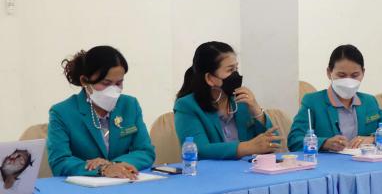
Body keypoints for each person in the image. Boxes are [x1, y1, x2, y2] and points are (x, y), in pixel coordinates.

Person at [47, 46, 155, 178]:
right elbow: (59, 162)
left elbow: (145, 151)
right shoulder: (62, 112)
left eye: (119, 83)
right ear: (84, 81)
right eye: (106, 83)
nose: (113, 91)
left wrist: (114, 165)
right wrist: (102, 169)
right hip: (84, 188)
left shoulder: (130, 105)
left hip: (125, 182)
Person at [174, 41, 280, 159]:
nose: (236, 75)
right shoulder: (187, 106)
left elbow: (274, 143)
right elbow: (199, 149)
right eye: (230, 70)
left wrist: (257, 111)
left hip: (247, 169)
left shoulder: (241, 101)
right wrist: (248, 147)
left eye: (236, 69)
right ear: (209, 78)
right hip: (212, 171)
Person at [288, 44, 382, 152]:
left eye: (354, 75)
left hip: (363, 163)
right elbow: (294, 140)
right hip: (329, 164)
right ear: (329, 72)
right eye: (341, 75)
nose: (348, 81)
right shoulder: (312, 102)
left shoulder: (369, 102)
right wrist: (324, 143)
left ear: (363, 73)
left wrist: (373, 139)